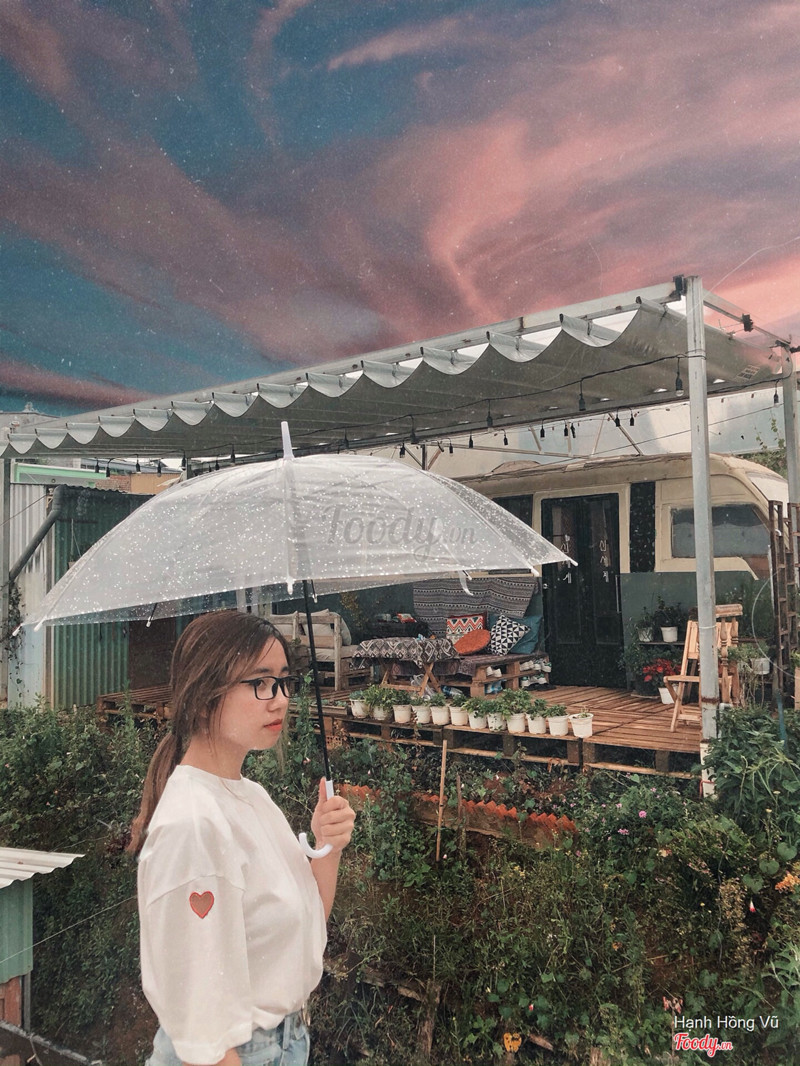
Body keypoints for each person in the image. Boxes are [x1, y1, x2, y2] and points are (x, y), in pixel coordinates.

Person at [128, 610, 356, 1066]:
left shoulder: (250, 796)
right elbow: (203, 1033)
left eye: (284, 681)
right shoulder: (193, 825)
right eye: (260, 682)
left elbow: (306, 921)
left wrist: (328, 846)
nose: (280, 699)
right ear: (205, 697)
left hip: (285, 1042)